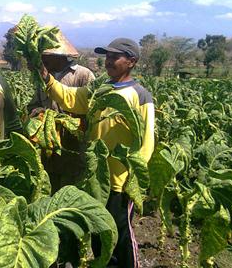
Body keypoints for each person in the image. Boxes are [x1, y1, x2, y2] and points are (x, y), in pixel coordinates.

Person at [35, 37, 155, 268]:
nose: (108, 61)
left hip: (120, 180)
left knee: (120, 238)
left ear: (131, 61)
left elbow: (146, 143)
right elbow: (72, 99)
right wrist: (46, 77)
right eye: (107, 56)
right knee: (102, 236)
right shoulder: (100, 89)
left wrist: (134, 180)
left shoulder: (139, 95)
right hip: (96, 177)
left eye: (115, 57)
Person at [27, 31, 95, 193]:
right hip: (49, 144)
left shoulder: (82, 75)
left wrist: (71, 121)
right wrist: (37, 112)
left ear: (59, 55)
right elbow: (32, 105)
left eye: (45, 57)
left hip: (74, 145)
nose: (41, 61)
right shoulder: (43, 77)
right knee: (49, 185)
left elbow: (93, 111)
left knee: (72, 187)